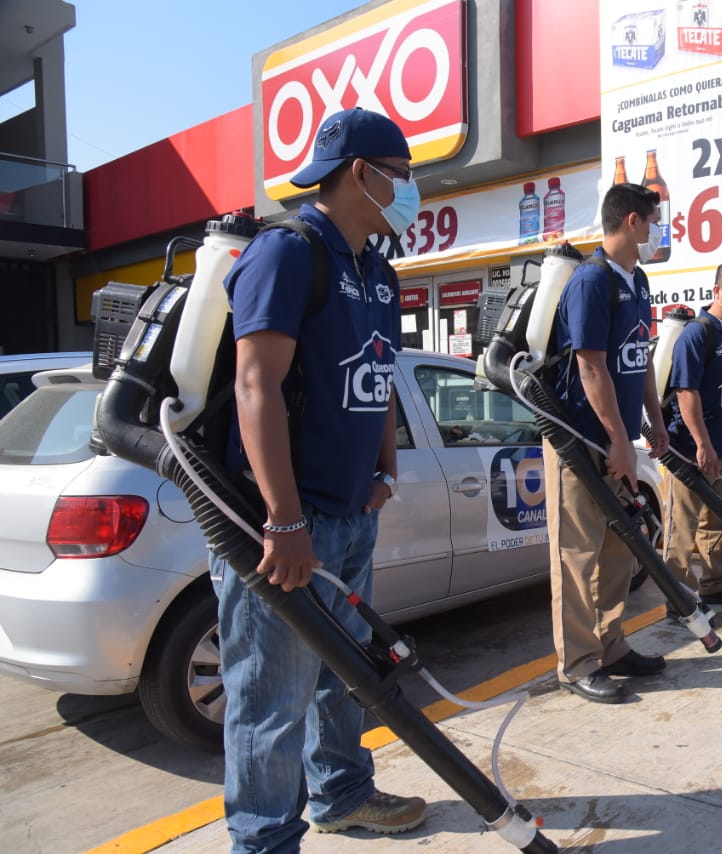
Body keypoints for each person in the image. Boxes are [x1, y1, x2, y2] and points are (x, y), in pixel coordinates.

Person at [216, 108, 427, 851]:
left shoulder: (377, 269)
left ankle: (342, 796)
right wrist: (283, 518)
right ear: (362, 174)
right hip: (285, 525)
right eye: (402, 176)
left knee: (345, 677)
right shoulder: (289, 253)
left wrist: (387, 468)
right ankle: (264, 842)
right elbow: (254, 387)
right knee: (270, 700)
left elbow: (378, 372)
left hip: (350, 512)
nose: (411, 191)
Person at [545, 182, 670, 704]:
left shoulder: (636, 281)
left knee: (622, 547)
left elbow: (637, 362)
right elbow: (589, 365)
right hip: (581, 441)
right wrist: (618, 439)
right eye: (656, 220)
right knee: (576, 554)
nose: (660, 230)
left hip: (618, 440)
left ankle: (611, 644)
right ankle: (576, 664)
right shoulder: (591, 281)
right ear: (633, 222)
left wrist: (655, 423)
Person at [661, 259, 722, 613]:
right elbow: (687, 392)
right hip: (691, 452)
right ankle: (680, 601)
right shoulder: (698, 333)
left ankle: (715, 586)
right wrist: (702, 444)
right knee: (682, 530)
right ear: (717, 291)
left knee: (719, 523)